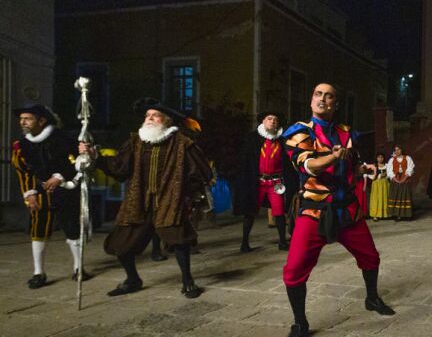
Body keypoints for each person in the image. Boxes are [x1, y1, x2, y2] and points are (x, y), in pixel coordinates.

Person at [281, 83, 395, 337]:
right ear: (311, 101)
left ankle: (372, 298)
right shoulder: (298, 131)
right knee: (294, 269)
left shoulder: (346, 133)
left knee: (370, 256)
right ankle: (300, 323)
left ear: (336, 104)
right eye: (318, 94)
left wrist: (361, 169)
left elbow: (351, 167)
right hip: (315, 211)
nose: (322, 99)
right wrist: (331, 158)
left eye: (329, 95)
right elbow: (308, 165)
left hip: (348, 210)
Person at [79, 98, 214, 298]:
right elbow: (119, 166)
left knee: (179, 241)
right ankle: (132, 279)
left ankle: (188, 281)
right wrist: (93, 156)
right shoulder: (135, 141)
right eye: (147, 116)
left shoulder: (182, 143)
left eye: (155, 115)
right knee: (121, 244)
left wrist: (189, 196)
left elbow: (200, 171)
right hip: (139, 201)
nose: (149, 118)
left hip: (170, 200)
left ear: (167, 121)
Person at [11, 104, 92, 289]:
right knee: (38, 231)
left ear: (42, 121)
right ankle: (38, 273)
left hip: (65, 189)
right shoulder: (21, 145)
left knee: (72, 228)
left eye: (28, 118)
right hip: (39, 193)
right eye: (21, 119)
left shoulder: (63, 138)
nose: (22, 122)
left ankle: (79, 268)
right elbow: (23, 171)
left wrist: (60, 176)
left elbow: (78, 162)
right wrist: (29, 194)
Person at [233, 112, 296, 252]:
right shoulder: (252, 139)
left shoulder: (283, 141)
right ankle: (244, 244)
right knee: (250, 212)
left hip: (276, 183)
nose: (272, 121)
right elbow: (244, 162)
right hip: (257, 182)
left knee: (279, 212)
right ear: (263, 121)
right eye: (269, 119)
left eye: (275, 119)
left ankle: (282, 242)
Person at [387, 144, 414, 221]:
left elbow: (410, 170)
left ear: (401, 150)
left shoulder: (408, 158)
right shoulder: (391, 160)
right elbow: (389, 171)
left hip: (405, 181)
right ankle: (398, 215)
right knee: (397, 197)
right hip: (395, 181)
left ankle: (407, 215)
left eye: (398, 149)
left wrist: (403, 179)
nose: (397, 151)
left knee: (405, 196)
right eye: (395, 150)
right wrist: (396, 180)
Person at [366, 153, 389, 221]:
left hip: (384, 184)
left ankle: (384, 214)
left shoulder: (387, 165)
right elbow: (369, 174)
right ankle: (375, 215)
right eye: (379, 157)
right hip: (376, 183)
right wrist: (377, 176)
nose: (380, 159)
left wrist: (386, 175)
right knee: (376, 198)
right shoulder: (373, 166)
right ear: (376, 158)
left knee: (384, 197)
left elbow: (390, 173)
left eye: (382, 157)